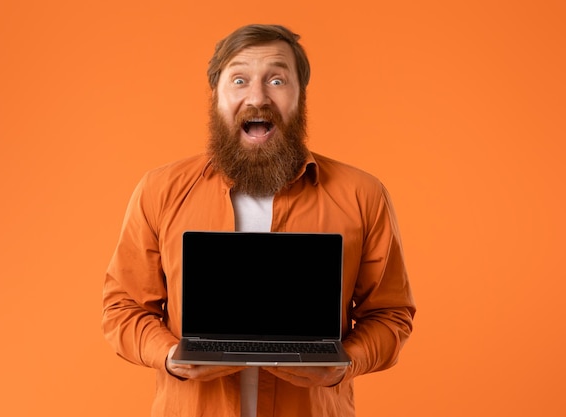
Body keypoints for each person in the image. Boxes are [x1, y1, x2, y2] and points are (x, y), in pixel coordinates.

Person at [102, 24, 416, 417]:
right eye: (239, 79)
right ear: (215, 96)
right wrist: (168, 356)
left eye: (277, 79)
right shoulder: (159, 191)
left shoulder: (362, 196)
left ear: (300, 95)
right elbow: (124, 308)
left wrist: (344, 363)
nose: (257, 97)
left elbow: (391, 314)